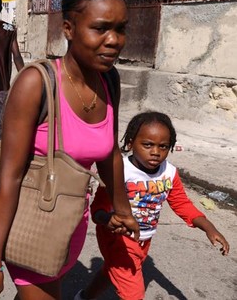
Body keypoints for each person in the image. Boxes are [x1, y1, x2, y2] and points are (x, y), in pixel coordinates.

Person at [0, 0, 140, 300]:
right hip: (27, 224)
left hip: (67, 227)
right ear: (69, 28)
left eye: (121, 29)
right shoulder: (36, 83)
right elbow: (9, 176)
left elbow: (110, 154)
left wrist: (123, 209)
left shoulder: (109, 81)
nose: (114, 41)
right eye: (101, 28)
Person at [75, 111, 230, 300]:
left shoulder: (169, 173)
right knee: (133, 293)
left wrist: (208, 227)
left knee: (112, 270)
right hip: (118, 240)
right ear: (131, 143)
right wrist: (107, 219)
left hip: (144, 238)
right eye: (147, 144)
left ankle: (84, 297)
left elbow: (181, 203)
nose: (156, 152)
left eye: (163, 146)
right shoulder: (119, 171)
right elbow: (97, 209)